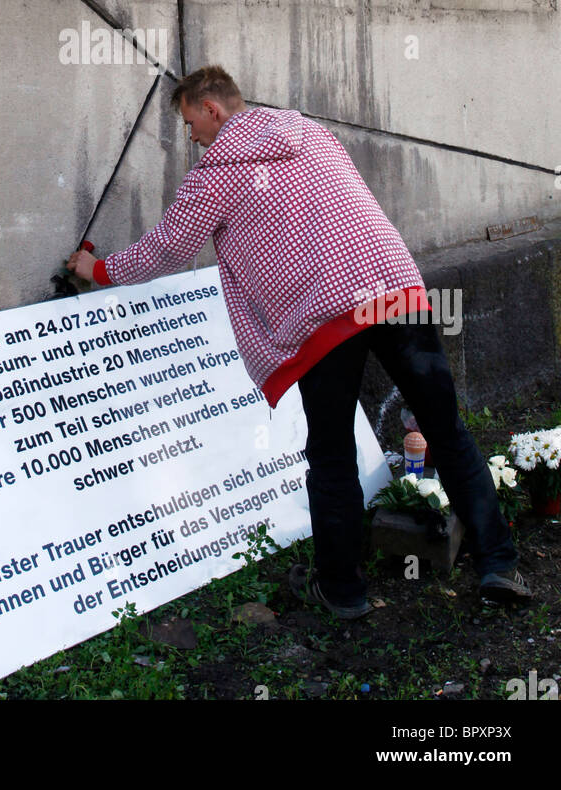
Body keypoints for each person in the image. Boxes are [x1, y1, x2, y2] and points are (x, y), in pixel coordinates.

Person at [67, 65, 530, 618]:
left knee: (330, 456)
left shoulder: (216, 172)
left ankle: (344, 591)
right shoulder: (307, 130)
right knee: (446, 431)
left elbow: (166, 250)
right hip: (394, 288)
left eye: (191, 123)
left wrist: (96, 270)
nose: (191, 137)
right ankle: (498, 564)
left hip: (324, 314)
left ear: (213, 109)